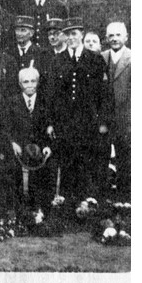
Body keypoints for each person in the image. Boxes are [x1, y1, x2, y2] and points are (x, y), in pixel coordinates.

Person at [50, 17, 111, 202]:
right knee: (67, 164)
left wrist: (103, 122)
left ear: (82, 34)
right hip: (65, 123)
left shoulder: (95, 59)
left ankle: (86, 205)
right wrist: (51, 123)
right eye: (67, 34)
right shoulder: (57, 60)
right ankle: (68, 205)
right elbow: (51, 95)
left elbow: (105, 94)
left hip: (88, 123)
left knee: (87, 164)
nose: (71, 38)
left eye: (74, 34)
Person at [4, 67, 55, 210]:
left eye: (33, 81)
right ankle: (19, 210)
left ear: (38, 83)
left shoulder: (46, 102)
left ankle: (39, 210)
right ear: (20, 84)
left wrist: (48, 146)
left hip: (39, 149)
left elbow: (51, 127)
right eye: (26, 82)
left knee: (42, 180)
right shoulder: (11, 102)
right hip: (19, 148)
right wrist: (12, 143)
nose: (30, 85)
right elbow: (6, 127)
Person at [102, 20, 131, 198]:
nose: (114, 38)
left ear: (126, 37)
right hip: (105, 120)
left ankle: (125, 198)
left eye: (118, 35)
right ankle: (103, 198)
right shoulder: (101, 57)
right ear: (106, 38)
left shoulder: (133, 58)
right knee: (102, 157)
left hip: (125, 119)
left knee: (125, 158)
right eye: (111, 35)